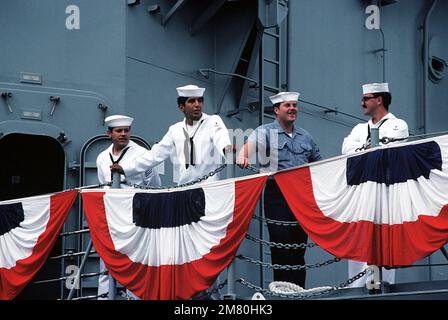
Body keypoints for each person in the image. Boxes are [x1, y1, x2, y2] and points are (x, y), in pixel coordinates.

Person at [112, 85, 232, 299]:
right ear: (181, 106)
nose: (197, 105)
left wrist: (227, 150)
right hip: (185, 195)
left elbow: (221, 137)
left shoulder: (213, 121)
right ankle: (190, 294)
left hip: (208, 194)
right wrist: (126, 168)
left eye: (200, 101)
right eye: (191, 101)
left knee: (210, 247)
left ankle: (215, 297)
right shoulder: (175, 130)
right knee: (187, 247)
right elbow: (155, 155)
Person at [236, 91, 321, 288]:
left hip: (301, 196)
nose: (292, 109)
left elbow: (318, 162)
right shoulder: (266, 132)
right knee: (281, 246)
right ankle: (283, 292)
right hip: (278, 195)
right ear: (276, 110)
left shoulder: (305, 136)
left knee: (299, 247)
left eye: (294, 105)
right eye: (287, 106)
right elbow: (251, 144)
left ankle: (299, 291)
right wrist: (243, 155)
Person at [342, 82, 409, 287]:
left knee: (383, 237)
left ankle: (383, 286)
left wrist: (364, 149)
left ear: (379, 100)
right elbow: (346, 148)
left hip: (386, 193)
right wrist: (370, 147)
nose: (362, 102)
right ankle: (356, 288)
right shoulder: (359, 128)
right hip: (362, 193)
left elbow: (391, 149)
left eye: (366, 98)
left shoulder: (398, 125)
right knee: (360, 237)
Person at [96, 114, 161, 299]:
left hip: (136, 215)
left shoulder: (141, 155)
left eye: (126, 130)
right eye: (119, 131)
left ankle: (135, 295)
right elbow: (104, 185)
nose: (123, 134)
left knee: (135, 259)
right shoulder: (102, 158)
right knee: (107, 256)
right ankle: (105, 295)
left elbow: (154, 184)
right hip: (112, 216)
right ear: (109, 133)